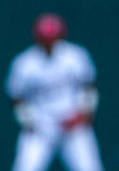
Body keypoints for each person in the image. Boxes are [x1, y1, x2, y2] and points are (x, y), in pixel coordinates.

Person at [6, 13, 104, 171]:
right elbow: (16, 96)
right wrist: (28, 120)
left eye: (53, 39)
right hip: (41, 127)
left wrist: (84, 113)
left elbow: (89, 86)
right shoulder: (25, 62)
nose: (49, 44)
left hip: (73, 123)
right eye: (46, 40)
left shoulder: (75, 56)